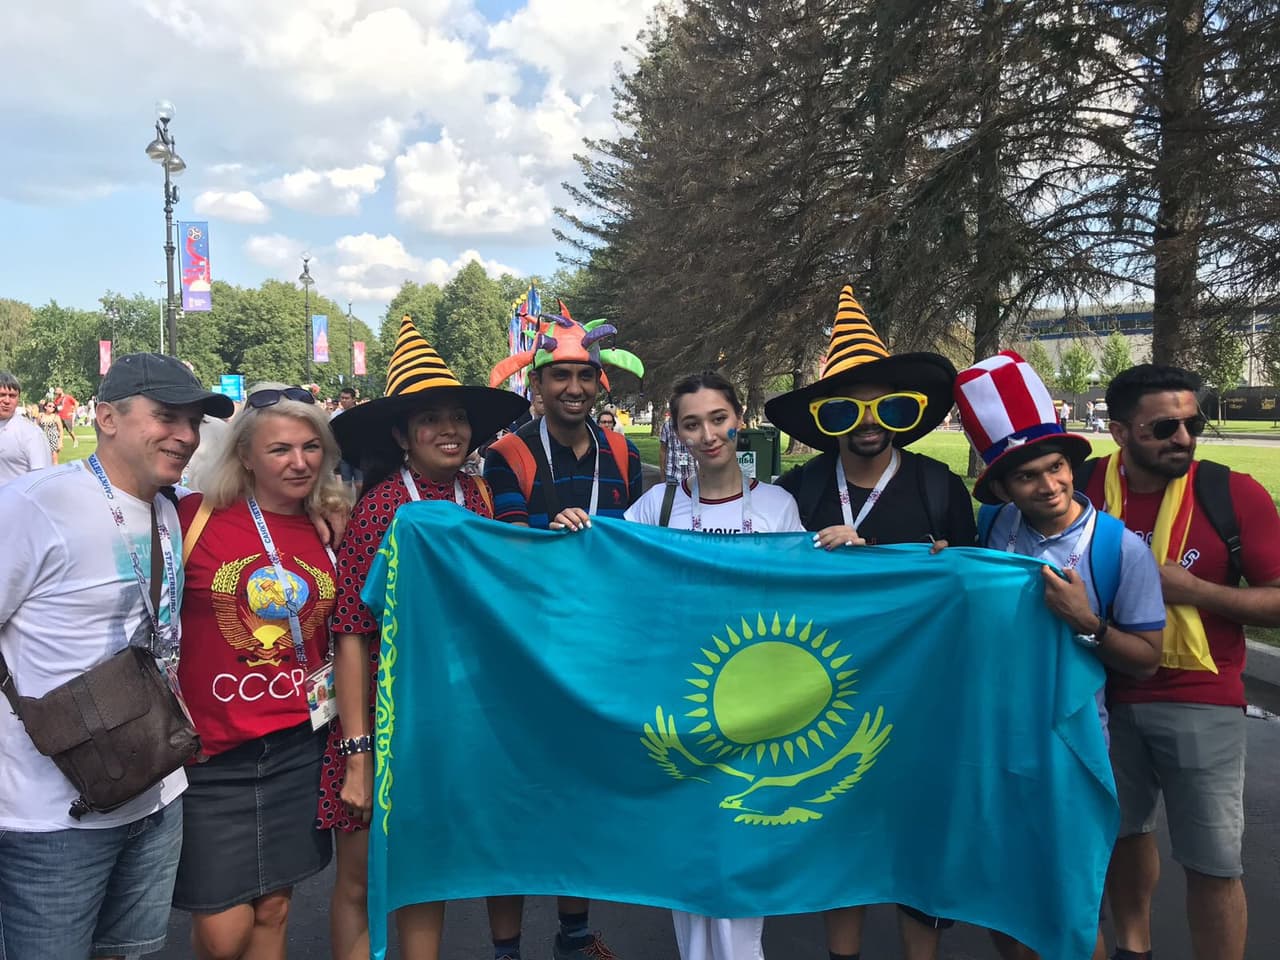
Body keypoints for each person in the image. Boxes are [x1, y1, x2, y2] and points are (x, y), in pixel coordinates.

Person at [0, 352, 232, 960]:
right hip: (48, 819)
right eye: (166, 417)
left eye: (194, 422)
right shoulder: (34, 505)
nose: (185, 435)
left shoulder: (170, 508)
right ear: (106, 416)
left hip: (158, 793)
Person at [765, 285, 974, 960]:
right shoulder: (795, 492)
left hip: (921, 698)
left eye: (886, 406)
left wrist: (952, 568)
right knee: (843, 835)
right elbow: (761, 584)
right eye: (849, 409)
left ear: (904, 416)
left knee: (920, 839)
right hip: (823, 697)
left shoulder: (940, 488)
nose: (869, 421)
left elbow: (978, 596)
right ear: (825, 419)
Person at [325, 316, 529, 960]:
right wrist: (358, 753)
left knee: (425, 871)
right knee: (360, 880)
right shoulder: (382, 508)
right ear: (401, 435)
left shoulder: (478, 496)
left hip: (461, 714)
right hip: (388, 719)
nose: (449, 430)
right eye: (429, 419)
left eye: (458, 418)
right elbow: (352, 632)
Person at [954, 351, 1165, 960]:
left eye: (1056, 468)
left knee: (1067, 903)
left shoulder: (1118, 549)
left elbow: (1146, 658)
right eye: (1027, 477)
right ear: (1001, 489)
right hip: (993, 740)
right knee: (1000, 890)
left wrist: (1087, 623)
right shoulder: (992, 528)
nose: (1048, 486)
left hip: (1072, 746)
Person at [1079, 364, 1280, 960]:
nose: (1185, 438)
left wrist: (1195, 591)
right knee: (1120, 835)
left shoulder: (1231, 491)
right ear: (1119, 431)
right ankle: (1132, 947)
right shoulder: (1083, 487)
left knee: (1214, 862)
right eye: (1164, 426)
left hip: (1201, 696)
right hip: (1101, 691)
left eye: (1193, 421)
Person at [483, 305, 644, 958]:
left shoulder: (624, 451)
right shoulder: (509, 453)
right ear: (538, 384)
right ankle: (505, 949)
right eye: (560, 377)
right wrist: (543, 537)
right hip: (526, 654)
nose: (573, 388)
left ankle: (574, 937)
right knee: (516, 803)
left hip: (597, 653)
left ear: (599, 381)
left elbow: (637, 546)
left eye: (584, 375)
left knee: (578, 798)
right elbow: (507, 547)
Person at [171, 383, 351, 960]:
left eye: (310, 447)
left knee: (274, 909)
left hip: (298, 746)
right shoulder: (190, 517)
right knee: (223, 933)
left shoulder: (332, 530)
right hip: (210, 753)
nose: (298, 462)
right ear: (245, 454)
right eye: (279, 450)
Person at [627, 371, 802, 960]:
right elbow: (610, 573)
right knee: (691, 860)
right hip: (681, 708)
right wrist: (575, 533)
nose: (708, 435)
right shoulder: (659, 505)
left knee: (741, 857)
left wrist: (846, 550)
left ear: (739, 418)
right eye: (692, 424)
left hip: (755, 710)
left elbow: (810, 595)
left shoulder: (777, 505)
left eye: (718, 419)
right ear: (675, 432)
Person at [0, 370, 52, 484]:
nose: (7, 401)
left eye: (12, 396)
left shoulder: (31, 433)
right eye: (2, 395)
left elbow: (42, 479)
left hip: (15, 500)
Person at [659, 408, 694, 483]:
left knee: (694, 494)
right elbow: (663, 450)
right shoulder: (667, 426)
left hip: (692, 473)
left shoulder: (693, 424)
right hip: (672, 473)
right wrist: (662, 474)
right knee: (671, 495)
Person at [38, 400, 64, 464]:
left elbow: (61, 430)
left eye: (53, 407)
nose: (52, 408)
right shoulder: (40, 415)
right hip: (42, 439)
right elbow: (36, 427)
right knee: (42, 458)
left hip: (53, 439)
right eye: (49, 406)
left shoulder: (56, 417)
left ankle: (56, 473)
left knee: (54, 459)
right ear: (45, 407)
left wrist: (60, 442)